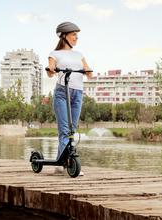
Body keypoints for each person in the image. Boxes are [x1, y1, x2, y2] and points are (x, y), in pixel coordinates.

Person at [46, 21, 92, 175]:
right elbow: (50, 72)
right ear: (64, 36)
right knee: (65, 130)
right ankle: (69, 163)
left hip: (78, 93)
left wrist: (88, 70)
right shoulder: (55, 54)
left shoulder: (79, 54)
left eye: (77, 35)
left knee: (72, 129)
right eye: (73, 35)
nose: (76, 38)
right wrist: (51, 69)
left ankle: (60, 163)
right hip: (62, 93)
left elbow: (88, 72)